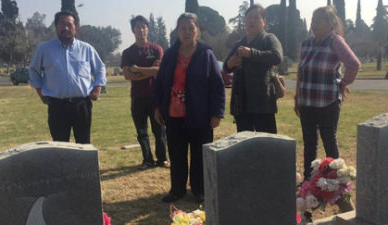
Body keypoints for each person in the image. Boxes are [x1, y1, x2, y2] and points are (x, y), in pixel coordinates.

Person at [154, 13, 225, 203]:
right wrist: (157, 107)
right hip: (173, 113)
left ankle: (199, 190)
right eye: (183, 29)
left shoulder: (206, 54)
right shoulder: (170, 55)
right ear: (177, 32)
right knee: (176, 154)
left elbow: (217, 86)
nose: (187, 32)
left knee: (199, 154)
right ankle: (177, 189)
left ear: (197, 31)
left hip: (200, 115)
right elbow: (160, 83)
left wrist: (216, 113)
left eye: (191, 28)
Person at [294, 6, 361, 180]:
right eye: (312, 20)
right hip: (307, 102)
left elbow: (354, 64)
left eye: (317, 20)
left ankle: (339, 184)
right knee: (309, 144)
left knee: (329, 142)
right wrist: (297, 98)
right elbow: (301, 73)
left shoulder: (335, 41)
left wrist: (343, 83)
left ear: (330, 23)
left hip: (328, 102)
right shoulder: (306, 43)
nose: (313, 24)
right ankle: (309, 183)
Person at [29, 11, 106, 144]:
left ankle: (83, 166)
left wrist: (97, 88)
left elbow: (100, 69)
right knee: (59, 146)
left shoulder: (86, 49)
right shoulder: (44, 49)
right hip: (57, 106)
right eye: (62, 24)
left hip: (82, 105)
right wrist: (41, 93)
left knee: (84, 145)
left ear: (75, 27)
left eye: (69, 25)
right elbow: (33, 71)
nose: (65, 28)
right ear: (56, 27)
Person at [224, 4, 283, 134]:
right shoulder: (240, 43)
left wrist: (252, 53)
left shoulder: (269, 38)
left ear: (263, 21)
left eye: (256, 18)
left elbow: (277, 56)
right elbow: (226, 68)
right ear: (245, 21)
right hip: (241, 103)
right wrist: (231, 62)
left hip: (263, 103)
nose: (252, 21)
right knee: (245, 145)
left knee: (267, 143)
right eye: (249, 17)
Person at [121, 15, 169, 168]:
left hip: (156, 97)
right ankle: (147, 160)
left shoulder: (157, 49)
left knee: (160, 130)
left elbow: (158, 72)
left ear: (148, 29)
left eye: (143, 26)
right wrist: (150, 71)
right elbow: (128, 76)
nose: (141, 30)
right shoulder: (127, 53)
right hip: (138, 98)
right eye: (137, 27)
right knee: (142, 132)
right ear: (133, 30)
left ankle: (162, 159)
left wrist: (138, 70)